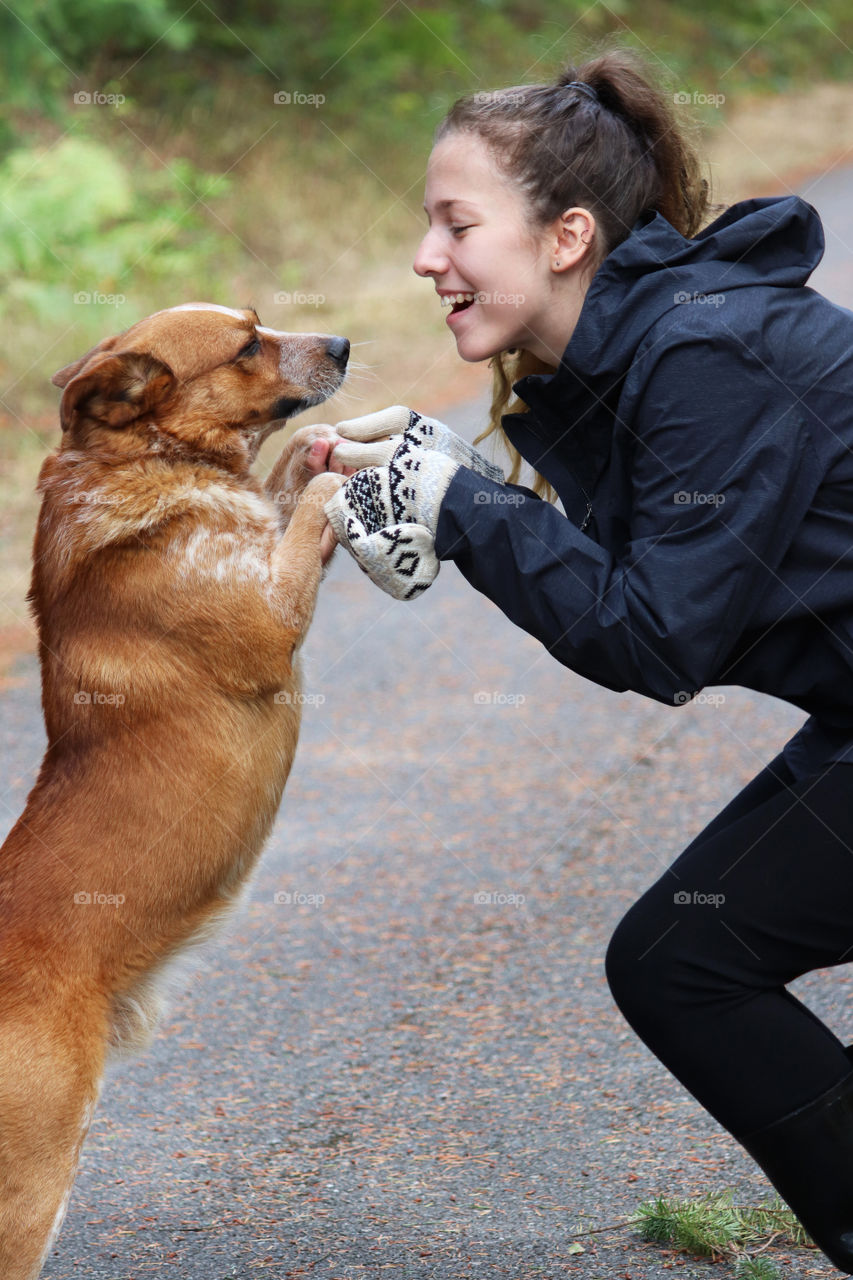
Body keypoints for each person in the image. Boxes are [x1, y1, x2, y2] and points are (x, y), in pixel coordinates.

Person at [309, 48, 853, 1272]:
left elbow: (656, 635)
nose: (422, 255)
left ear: (563, 236)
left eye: (455, 222)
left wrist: (463, 507)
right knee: (683, 956)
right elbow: (634, 586)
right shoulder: (642, 352)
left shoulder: (705, 349)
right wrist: (441, 470)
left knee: (689, 962)